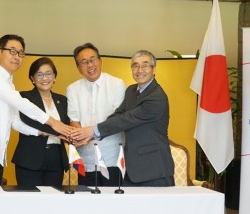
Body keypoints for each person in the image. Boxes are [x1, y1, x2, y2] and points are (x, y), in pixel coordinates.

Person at [0, 34, 72, 186]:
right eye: (12, 51)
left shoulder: (9, 84)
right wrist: (53, 122)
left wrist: (43, 131)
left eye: (21, 53)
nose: (17, 57)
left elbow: (15, 121)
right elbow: (20, 103)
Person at [71, 50, 175, 187]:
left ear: (153, 69)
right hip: (132, 170)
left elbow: (126, 119)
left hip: (154, 170)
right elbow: (118, 115)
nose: (140, 70)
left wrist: (91, 131)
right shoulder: (131, 90)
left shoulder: (157, 97)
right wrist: (91, 136)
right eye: (135, 66)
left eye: (145, 65)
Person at [66, 43, 126, 186]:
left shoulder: (117, 84)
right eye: (84, 62)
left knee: (113, 203)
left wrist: (88, 133)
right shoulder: (72, 89)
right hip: (85, 157)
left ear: (100, 61)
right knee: (87, 204)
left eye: (93, 59)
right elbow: (73, 120)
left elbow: (117, 120)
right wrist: (80, 136)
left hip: (112, 157)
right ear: (79, 68)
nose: (90, 65)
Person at [12, 57, 69, 186]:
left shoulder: (63, 100)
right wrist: (43, 132)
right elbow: (17, 123)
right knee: (30, 203)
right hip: (29, 159)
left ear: (54, 77)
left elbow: (66, 125)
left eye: (48, 73)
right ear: (32, 78)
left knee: (52, 202)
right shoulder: (24, 97)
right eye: (39, 74)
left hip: (56, 160)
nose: (45, 78)